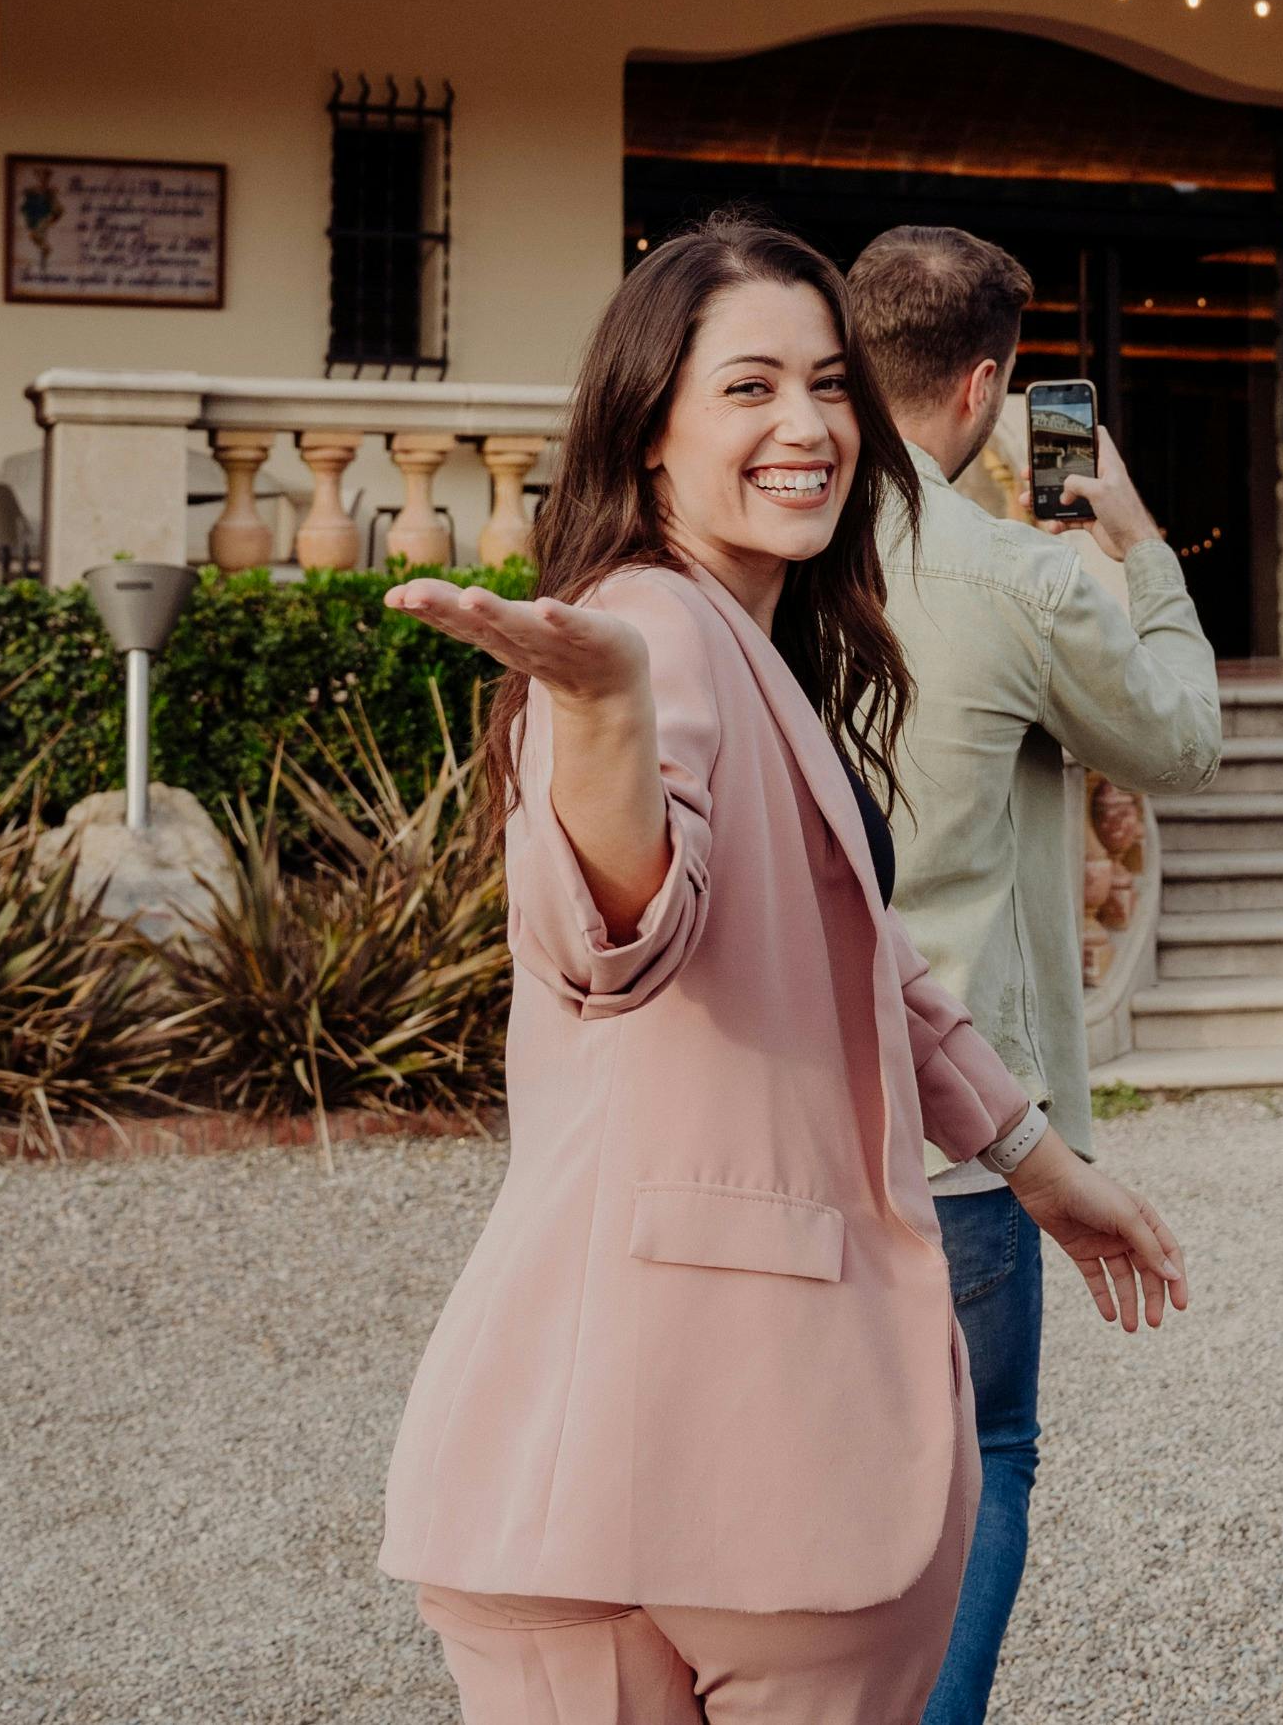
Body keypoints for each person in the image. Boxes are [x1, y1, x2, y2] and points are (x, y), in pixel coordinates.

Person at [375, 214, 1191, 1725]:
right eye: (749, 388)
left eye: (826, 384)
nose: (808, 426)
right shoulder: (650, 633)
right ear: (651, 426)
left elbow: (871, 969)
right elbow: (614, 936)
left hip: (554, 1460)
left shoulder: (742, 637)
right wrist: (611, 720)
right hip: (759, 1475)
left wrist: (1033, 1159)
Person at [837, 224, 1223, 1725]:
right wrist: (1129, 537)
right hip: (970, 1116)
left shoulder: (765, 551)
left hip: (792, 1096)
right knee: (985, 1453)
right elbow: (1184, 739)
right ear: (990, 385)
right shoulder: (1017, 571)